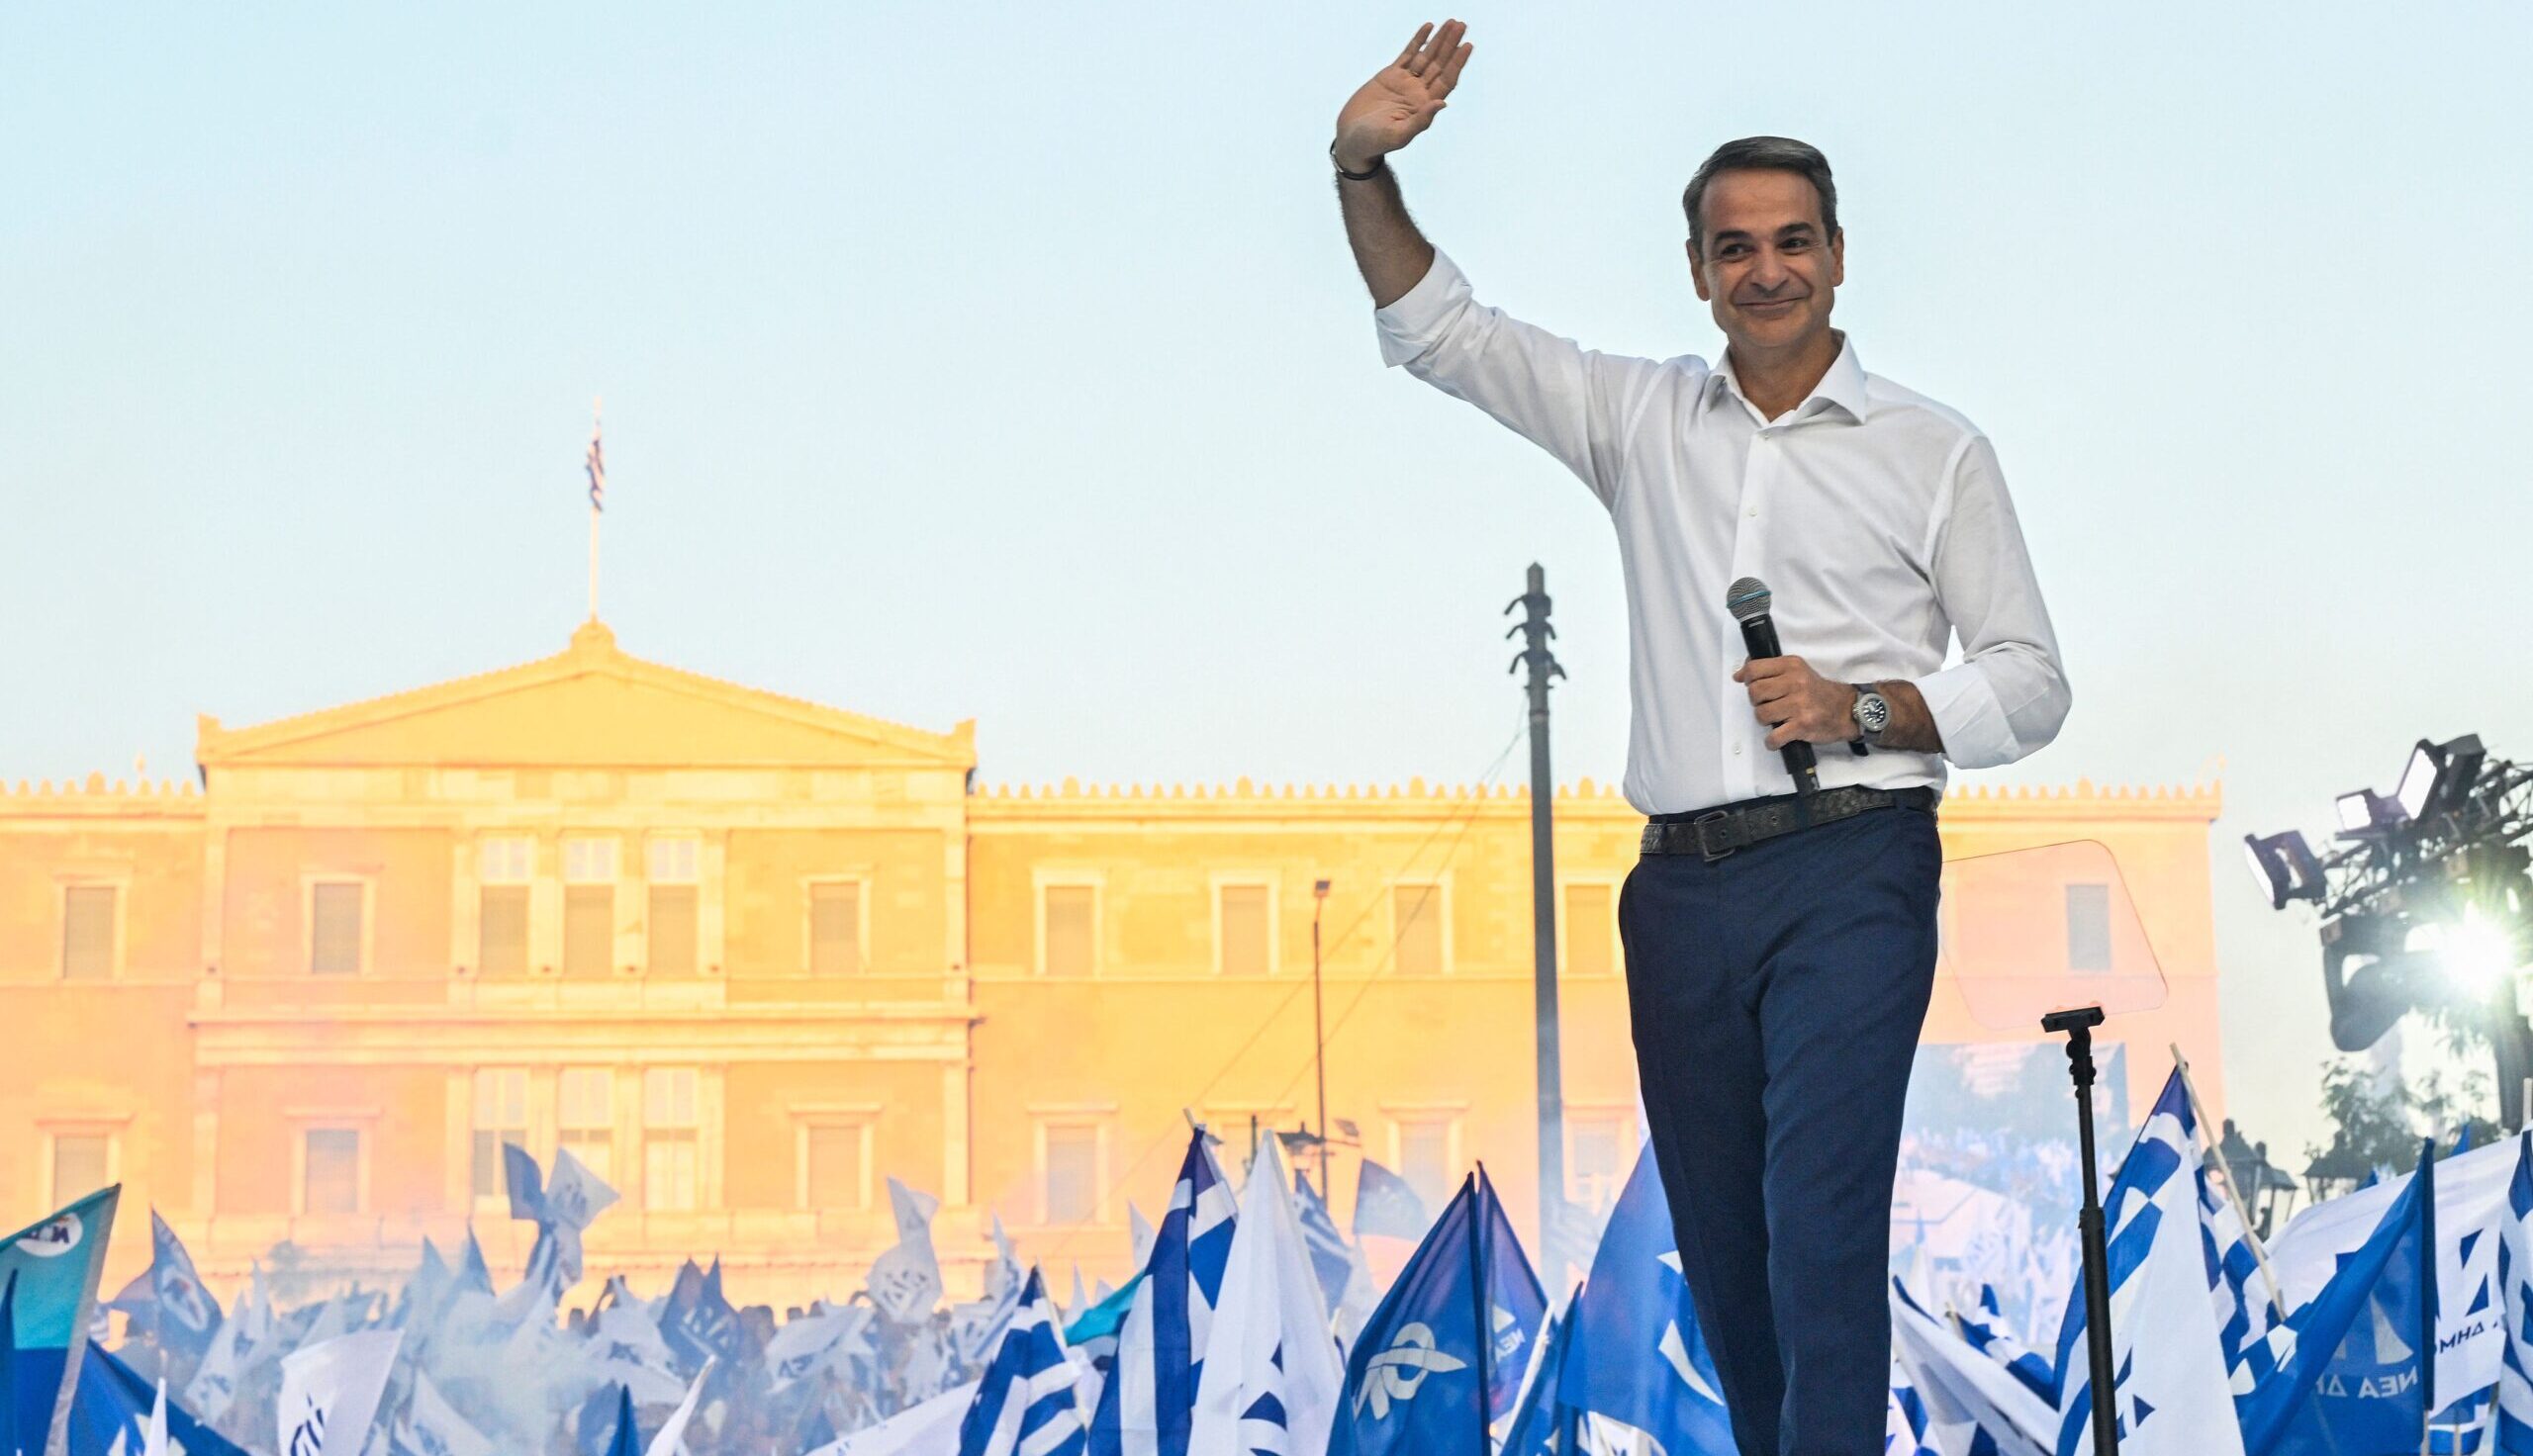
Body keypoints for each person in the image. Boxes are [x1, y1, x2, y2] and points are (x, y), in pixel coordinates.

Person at [1331, 21, 2070, 1455]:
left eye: (1793, 241)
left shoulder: (1936, 450)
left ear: (1839, 257)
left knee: (1820, 1221)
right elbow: (1445, 334)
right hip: (1678, 892)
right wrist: (1361, 168)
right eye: (1736, 249)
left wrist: (1864, 706)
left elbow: (2031, 683)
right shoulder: (1641, 418)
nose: (1767, 269)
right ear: (1698, 271)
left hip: (1854, 866)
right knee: (1727, 1257)